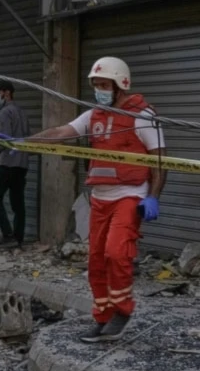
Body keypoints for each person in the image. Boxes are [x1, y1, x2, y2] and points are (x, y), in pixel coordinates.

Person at [28, 57, 166, 344]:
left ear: (120, 85)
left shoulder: (143, 115)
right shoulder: (94, 115)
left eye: (104, 85)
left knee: (117, 254)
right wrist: (22, 142)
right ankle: (102, 318)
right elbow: (60, 133)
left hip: (129, 195)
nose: (99, 90)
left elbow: (160, 161)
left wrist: (153, 197)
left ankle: (123, 311)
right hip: (100, 199)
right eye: (96, 85)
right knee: (96, 263)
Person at [0, 79, 30, 248]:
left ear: (6, 93)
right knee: (17, 202)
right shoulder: (22, 112)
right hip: (22, 163)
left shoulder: (5, 112)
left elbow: (5, 138)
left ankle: (7, 235)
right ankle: (18, 238)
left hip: (7, 163)